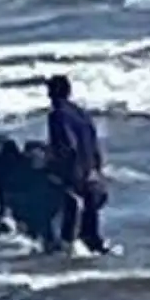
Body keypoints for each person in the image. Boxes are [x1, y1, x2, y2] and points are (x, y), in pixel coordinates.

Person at [43, 75, 108, 254]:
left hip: (74, 172)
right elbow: (94, 146)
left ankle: (60, 246)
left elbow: (68, 145)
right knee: (90, 226)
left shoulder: (57, 114)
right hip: (92, 172)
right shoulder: (83, 114)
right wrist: (95, 171)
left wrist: (54, 167)